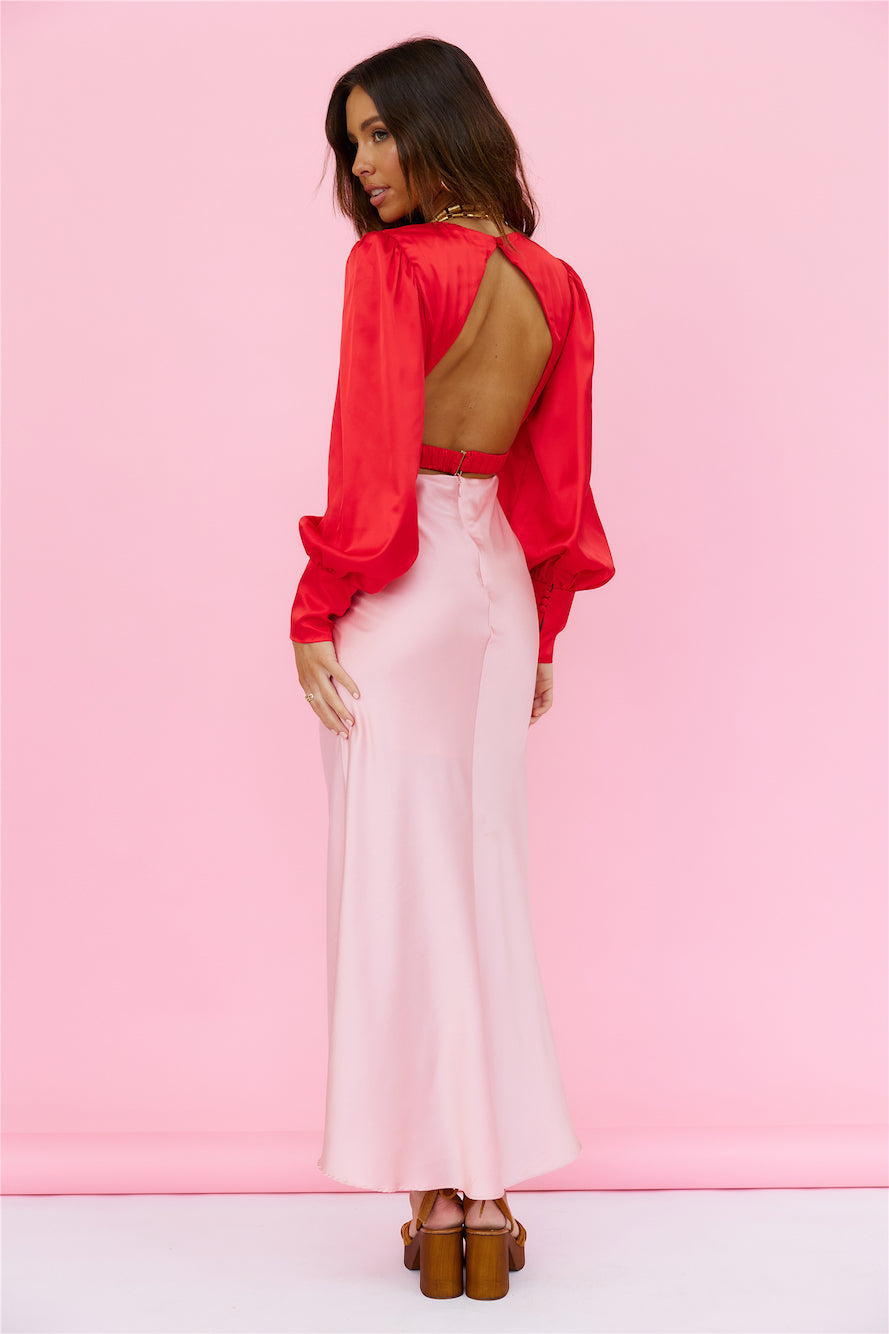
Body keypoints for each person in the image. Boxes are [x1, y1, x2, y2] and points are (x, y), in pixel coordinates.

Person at [289, 36, 615, 1301]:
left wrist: (317, 604)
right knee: (482, 876)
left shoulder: (391, 267)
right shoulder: (557, 285)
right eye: (352, 141)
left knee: (398, 881)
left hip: (407, 586)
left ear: (442, 125)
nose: (363, 164)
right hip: (495, 600)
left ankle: (433, 1186)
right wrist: (543, 625)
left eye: (380, 132)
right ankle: (489, 1190)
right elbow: (558, 483)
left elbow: (371, 466)